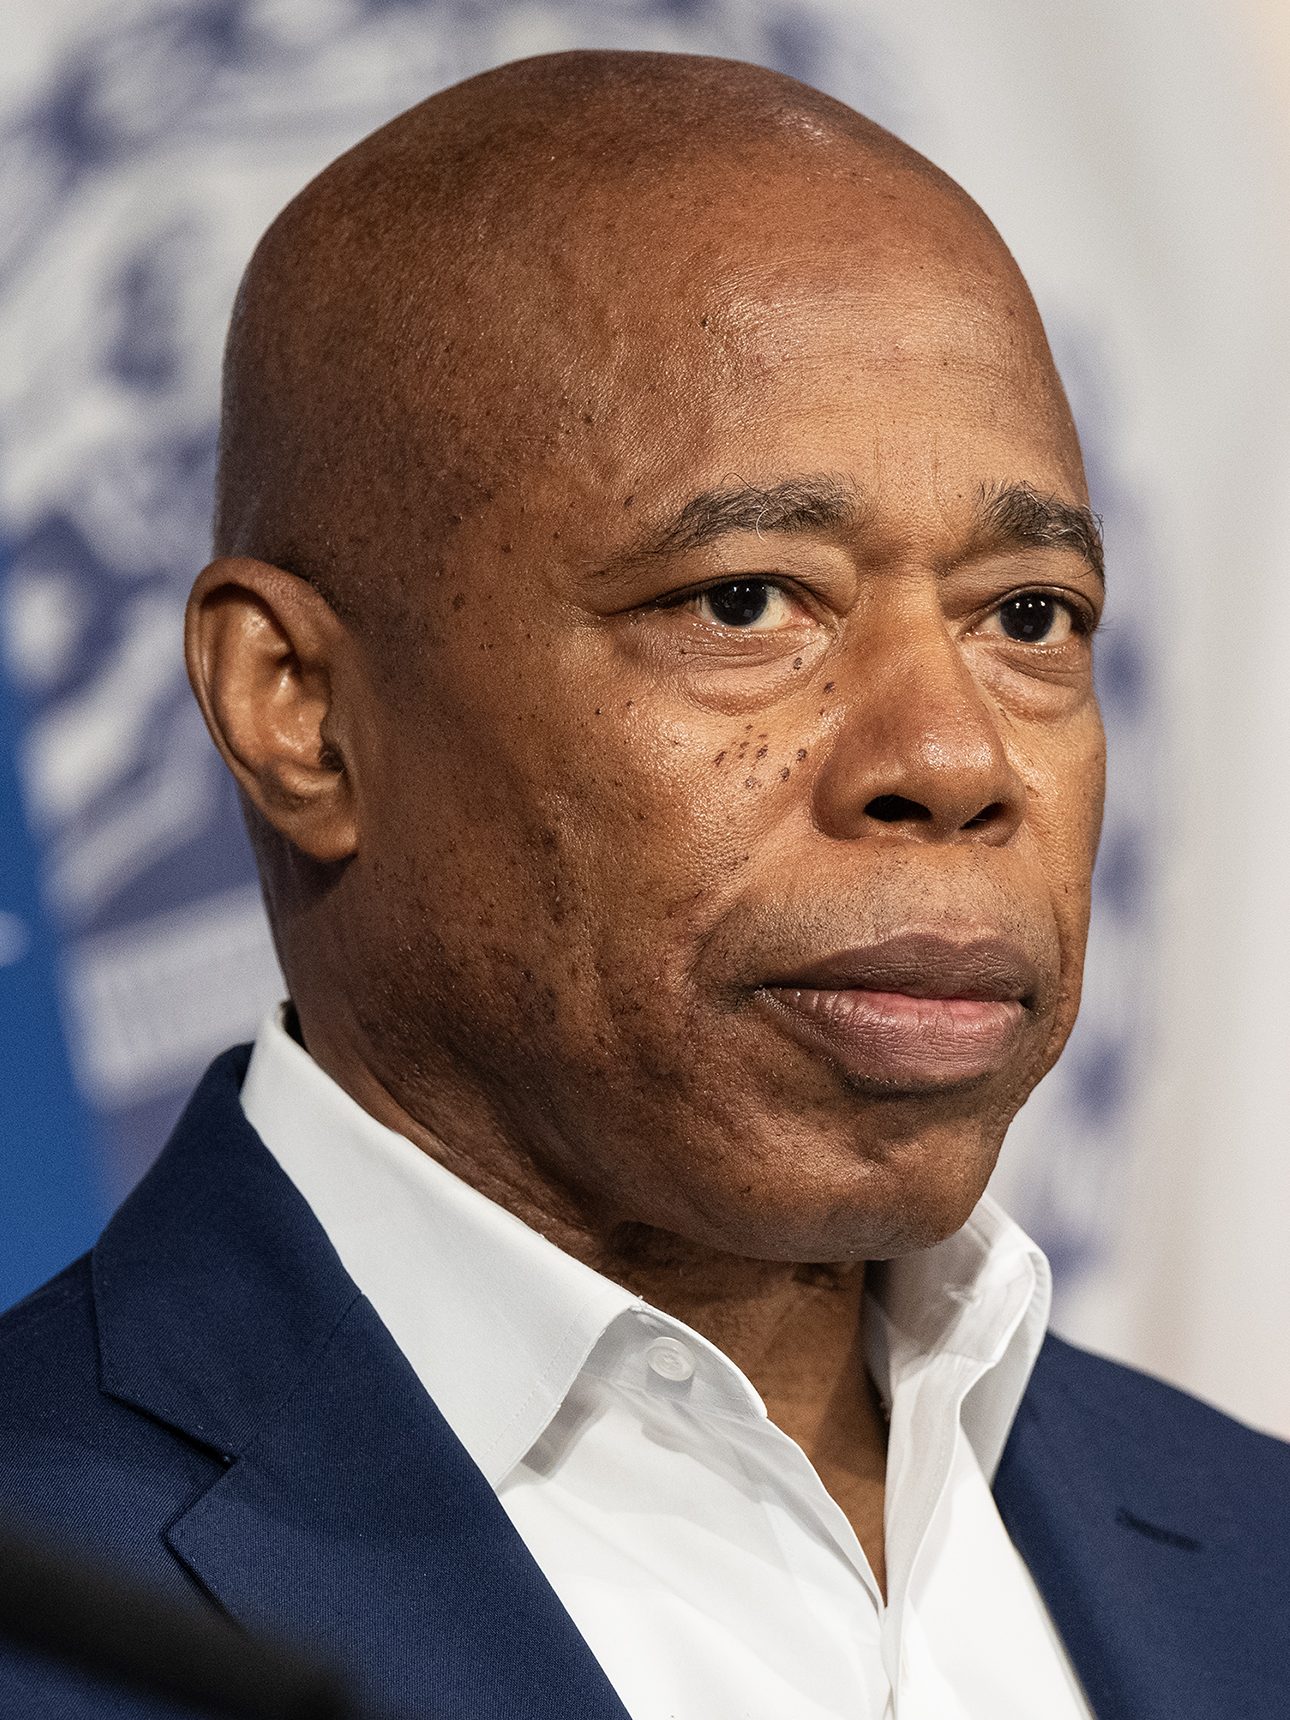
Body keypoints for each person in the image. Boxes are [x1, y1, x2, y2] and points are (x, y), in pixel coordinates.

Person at [1, 49, 1286, 1720]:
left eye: (1027, 615)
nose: (953, 760)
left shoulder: (1252, 1556)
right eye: (745, 602)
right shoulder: (48, 1602)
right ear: (297, 710)